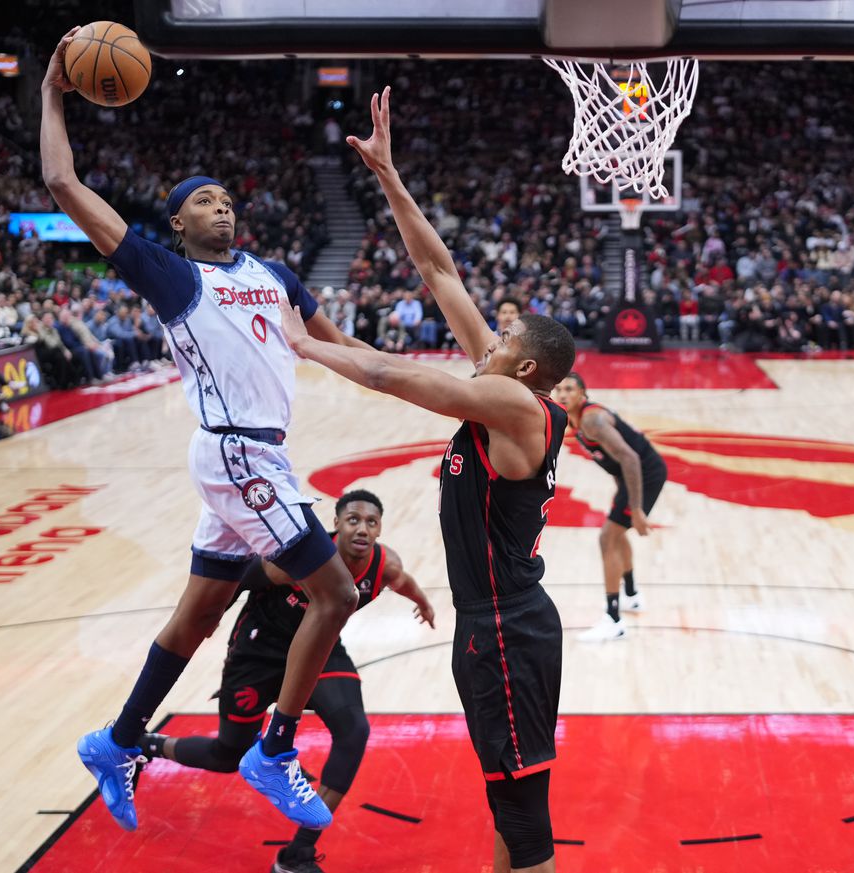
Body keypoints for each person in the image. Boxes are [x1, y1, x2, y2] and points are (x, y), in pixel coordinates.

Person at [41, 26, 369, 833]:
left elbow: (344, 348)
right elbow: (61, 180)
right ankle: (275, 747)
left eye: (227, 197)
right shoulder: (171, 273)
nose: (221, 206)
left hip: (257, 456)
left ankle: (116, 740)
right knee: (334, 590)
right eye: (203, 200)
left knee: (197, 617)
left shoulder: (275, 274)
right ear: (179, 224)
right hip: (232, 450)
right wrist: (52, 90)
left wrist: (440, 377)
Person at [279, 87, 574, 873]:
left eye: (503, 333)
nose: (490, 330)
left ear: (527, 367)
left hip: (507, 628)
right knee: (507, 803)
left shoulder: (512, 403)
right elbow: (439, 271)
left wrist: (303, 345)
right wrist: (388, 175)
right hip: (502, 622)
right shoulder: (507, 386)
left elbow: (385, 370)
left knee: (524, 816)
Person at [140, 489, 435, 873]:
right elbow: (244, 577)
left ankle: (297, 854)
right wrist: (212, 614)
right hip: (260, 652)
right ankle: (148, 744)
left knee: (354, 731)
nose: (362, 528)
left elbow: (404, 583)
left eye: (371, 522)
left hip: (320, 651)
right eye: (353, 520)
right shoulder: (302, 562)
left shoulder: (385, 565)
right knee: (228, 755)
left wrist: (423, 602)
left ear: (380, 530)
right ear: (336, 525)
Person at [551, 373, 667, 641]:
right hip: (631, 478)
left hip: (644, 473)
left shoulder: (592, 420)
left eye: (569, 389)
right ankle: (632, 596)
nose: (563, 394)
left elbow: (630, 458)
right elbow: (616, 461)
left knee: (607, 538)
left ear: (583, 393)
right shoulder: (574, 421)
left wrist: (636, 508)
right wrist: (621, 491)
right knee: (615, 533)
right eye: (559, 389)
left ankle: (614, 620)